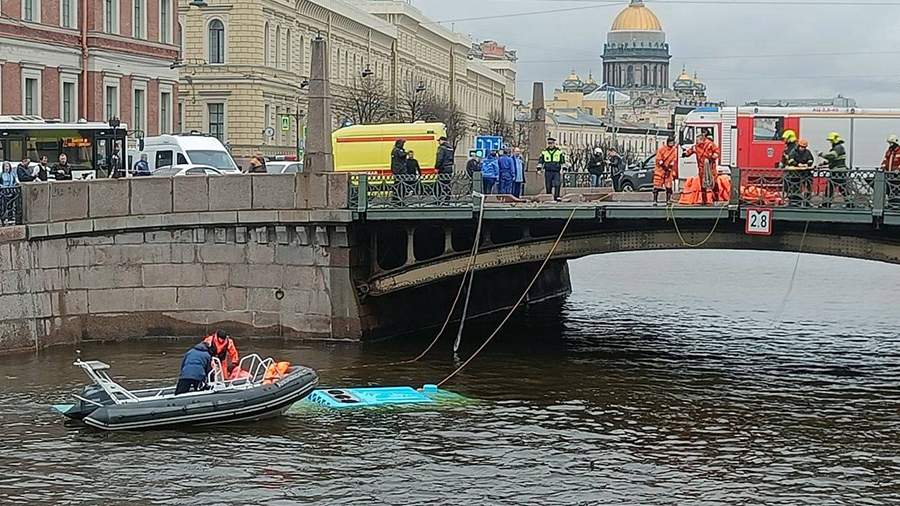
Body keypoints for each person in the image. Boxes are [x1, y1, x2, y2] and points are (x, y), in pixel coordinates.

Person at [683, 129, 720, 205]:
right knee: (703, 185)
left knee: (714, 184)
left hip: (710, 168)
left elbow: (716, 152)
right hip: (701, 168)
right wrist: (685, 154)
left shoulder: (710, 144)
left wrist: (712, 156)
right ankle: (704, 201)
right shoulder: (696, 147)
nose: (697, 141)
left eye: (698, 140)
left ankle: (716, 200)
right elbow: (689, 151)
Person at [819, 132, 848, 207]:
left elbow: (832, 156)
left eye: (831, 140)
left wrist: (822, 154)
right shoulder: (838, 147)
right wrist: (825, 163)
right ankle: (849, 203)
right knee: (842, 188)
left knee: (830, 188)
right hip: (838, 171)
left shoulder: (838, 147)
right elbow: (835, 159)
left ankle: (826, 204)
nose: (830, 142)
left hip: (838, 171)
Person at [784, 139, 815, 207]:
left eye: (804, 147)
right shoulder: (793, 152)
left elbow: (811, 160)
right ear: (798, 146)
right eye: (801, 147)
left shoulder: (807, 152)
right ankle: (794, 202)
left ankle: (807, 202)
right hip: (795, 173)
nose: (802, 148)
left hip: (806, 172)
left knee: (808, 186)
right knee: (795, 187)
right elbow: (790, 160)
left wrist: (807, 164)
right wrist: (798, 164)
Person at [653, 136, 678, 205]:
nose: (671, 144)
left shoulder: (674, 151)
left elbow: (674, 160)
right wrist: (663, 166)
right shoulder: (661, 149)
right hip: (660, 169)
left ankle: (668, 200)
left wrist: (670, 166)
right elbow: (658, 159)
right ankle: (655, 200)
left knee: (669, 186)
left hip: (669, 170)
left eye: (672, 142)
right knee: (657, 185)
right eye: (670, 142)